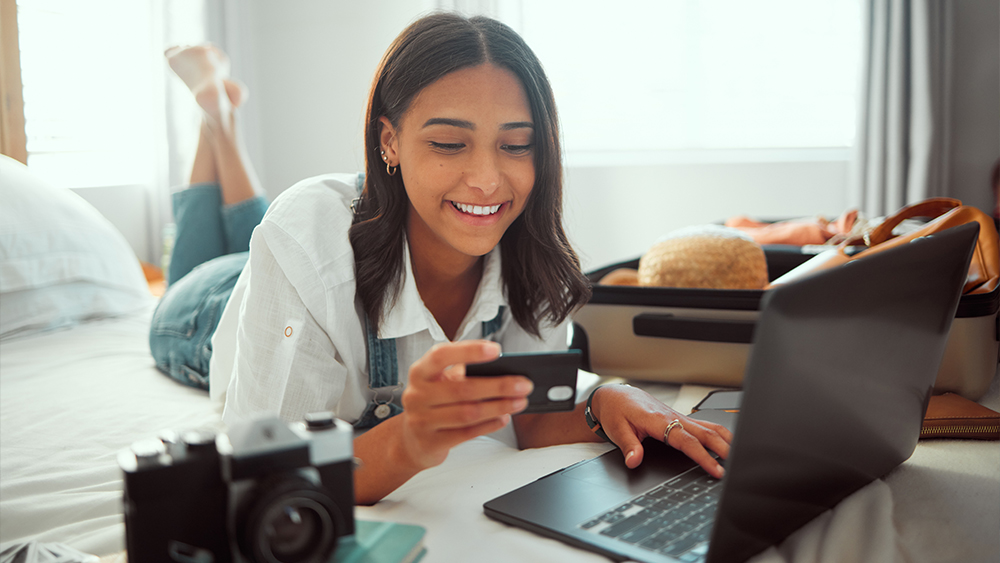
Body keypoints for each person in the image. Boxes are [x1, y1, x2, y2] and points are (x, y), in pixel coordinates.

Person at [153, 13, 732, 506]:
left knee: (244, 223)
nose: (486, 180)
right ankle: (217, 115)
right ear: (389, 141)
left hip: (277, 263)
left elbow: (531, 415)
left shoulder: (531, 250)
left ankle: (218, 111)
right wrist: (408, 440)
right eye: (449, 144)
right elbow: (273, 474)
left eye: (515, 144)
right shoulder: (306, 237)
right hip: (201, 311)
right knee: (221, 249)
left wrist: (604, 400)